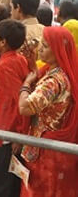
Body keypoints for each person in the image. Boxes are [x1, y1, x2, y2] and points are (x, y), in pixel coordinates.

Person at [18, 26, 78, 197]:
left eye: (46, 45)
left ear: (58, 50)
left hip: (45, 151)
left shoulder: (53, 81)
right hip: (52, 148)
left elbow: (25, 108)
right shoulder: (60, 73)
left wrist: (25, 85)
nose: (41, 49)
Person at [0, 19, 30, 197]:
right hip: (11, 132)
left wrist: (18, 135)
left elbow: (17, 100)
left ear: (3, 42)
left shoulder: (6, 64)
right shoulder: (17, 59)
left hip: (7, 134)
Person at [11, 0, 43, 67]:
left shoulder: (15, 34)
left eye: (11, 7)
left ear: (18, 8)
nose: (10, 12)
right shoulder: (46, 31)